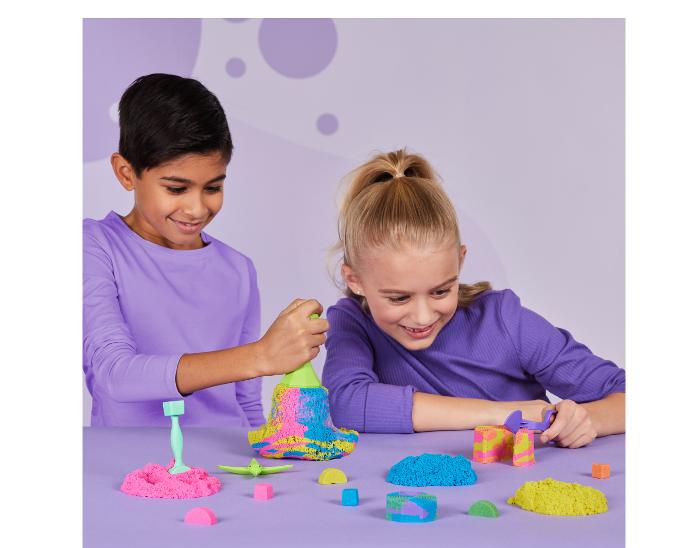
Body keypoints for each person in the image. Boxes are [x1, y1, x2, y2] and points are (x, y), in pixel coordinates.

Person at [322, 149, 625, 448]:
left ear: (460, 260)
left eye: (441, 291)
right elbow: (346, 403)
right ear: (355, 280)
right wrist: (503, 414)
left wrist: (588, 420)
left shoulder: (503, 320)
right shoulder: (353, 323)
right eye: (399, 298)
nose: (423, 316)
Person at [83, 73, 327, 426]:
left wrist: (262, 452)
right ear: (125, 172)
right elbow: (114, 374)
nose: (197, 209)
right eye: (176, 188)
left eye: (212, 187)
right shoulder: (95, 246)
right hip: (130, 471)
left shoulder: (239, 270)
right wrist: (260, 355)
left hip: (227, 467)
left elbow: (247, 402)